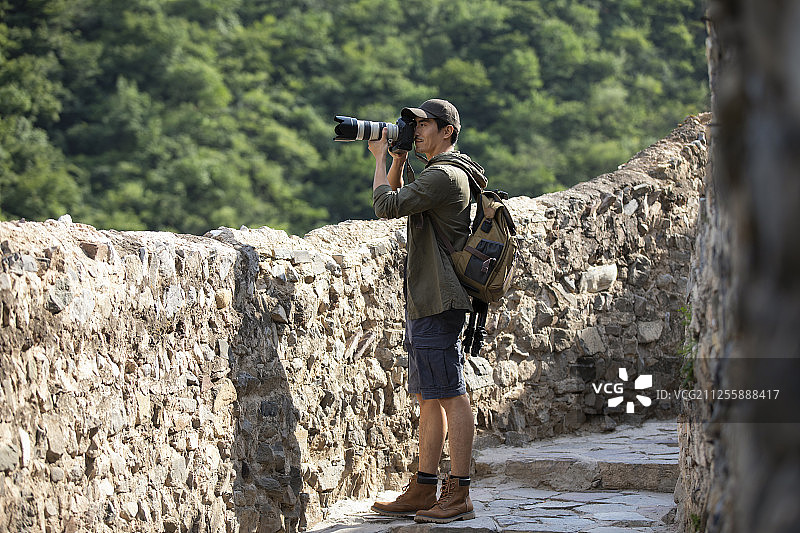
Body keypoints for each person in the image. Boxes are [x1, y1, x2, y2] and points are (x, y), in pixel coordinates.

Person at [368, 99, 486, 524]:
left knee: (450, 392)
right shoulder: (448, 170)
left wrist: (382, 159)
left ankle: (459, 493)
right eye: (413, 125)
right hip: (429, 297)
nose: (416, 130)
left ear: (447, 131)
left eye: (424, 125)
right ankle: (423, 487)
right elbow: (400, 198)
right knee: (429, 395)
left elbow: (385, 206)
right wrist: (399, 157)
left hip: (439, 299)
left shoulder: (446, 174)